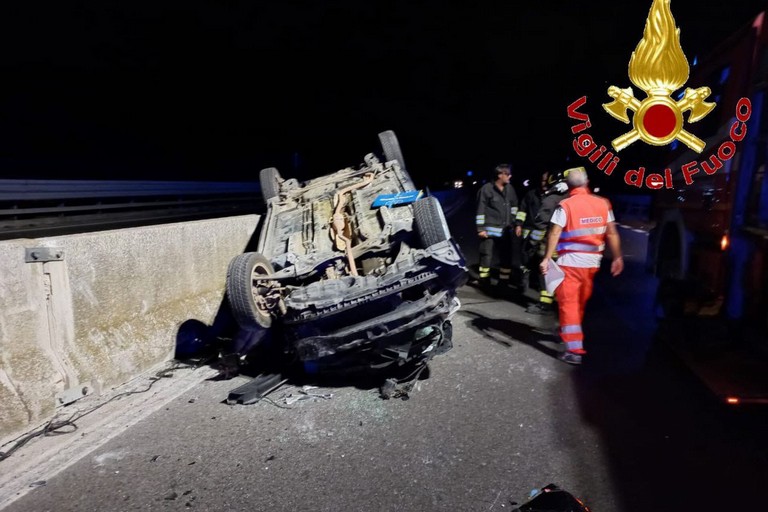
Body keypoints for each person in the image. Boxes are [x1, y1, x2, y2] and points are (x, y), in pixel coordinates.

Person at [539, 166, 624, 365]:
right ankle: (569, 334)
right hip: (592, 264)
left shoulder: (565, 205)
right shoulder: (604, 203)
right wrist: (618, 257)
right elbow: (611, 232)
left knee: (569, 304)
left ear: (568, 186)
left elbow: (554, 233)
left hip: (570, 263)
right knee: (579, 302)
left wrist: (546, 258)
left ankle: (573, 350)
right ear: (587, 183)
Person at [523, 171, 569, 314]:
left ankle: (545, 304)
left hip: (551, 242)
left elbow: (541, 224)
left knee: (546, 271)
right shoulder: (571, 196)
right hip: (568, 244)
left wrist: (532, 242)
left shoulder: (551, 198)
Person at [475, 164, 519, 288]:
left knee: (506, 256)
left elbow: (515, 205)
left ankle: (503, 281)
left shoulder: (510, 189)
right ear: (500, 175)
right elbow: (480, 210)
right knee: (486, 254)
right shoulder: (486, 189)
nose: (510, 176)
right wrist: (480, 229)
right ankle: (484, 280)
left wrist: (514, 222)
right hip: (488, 230)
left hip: (505, 230)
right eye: (508, 174)